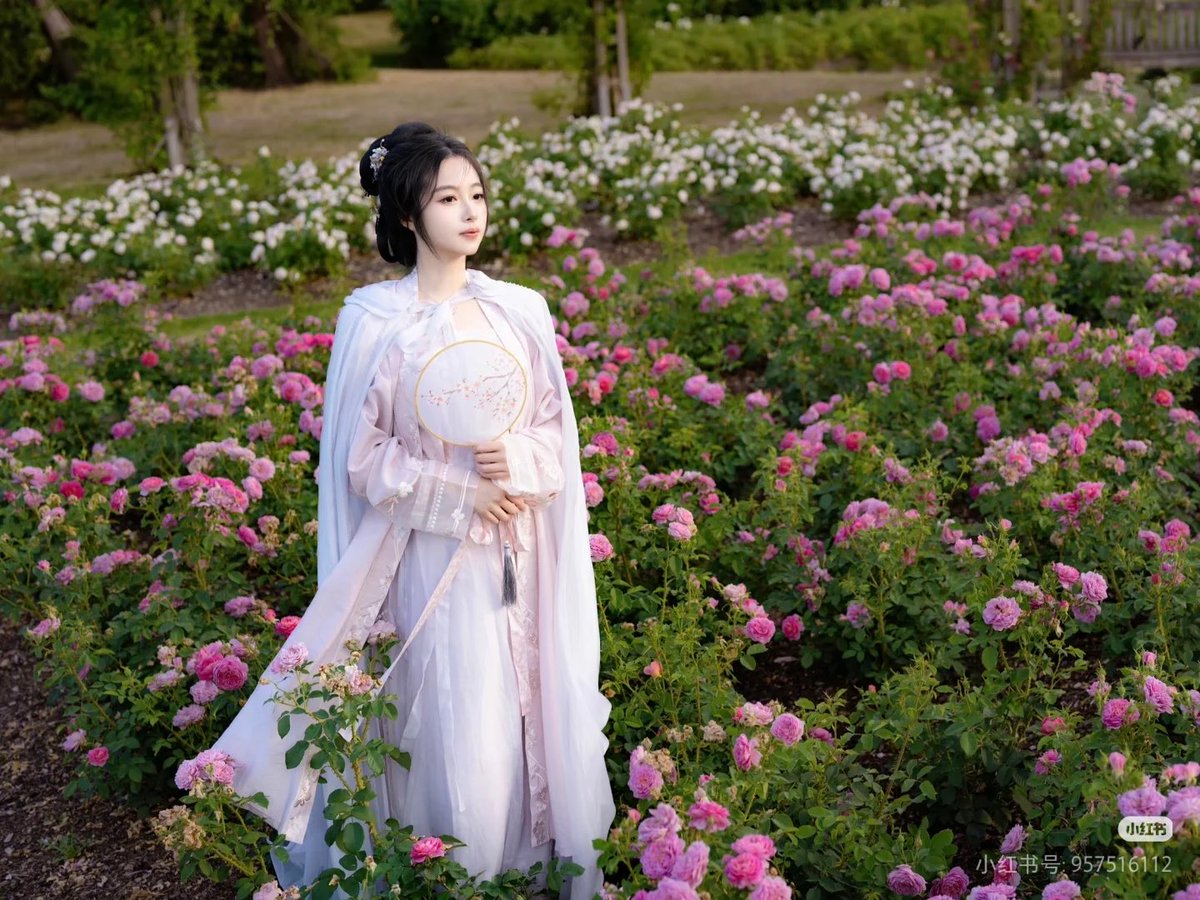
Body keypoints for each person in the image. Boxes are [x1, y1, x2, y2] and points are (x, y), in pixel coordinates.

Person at [213, 122, 615, 898]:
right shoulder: (374, 320)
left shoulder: (518, 309)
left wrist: (520, 461)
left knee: (519, 700)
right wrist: (466, 491)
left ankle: (521, 868)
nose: (470, 213)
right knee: (452, 708)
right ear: (405, 215)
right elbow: (360, 459)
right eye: (447, 198)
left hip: (520, 548)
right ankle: (450, 869)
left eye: (478, 195)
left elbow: (554, 430)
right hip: (432, 551)